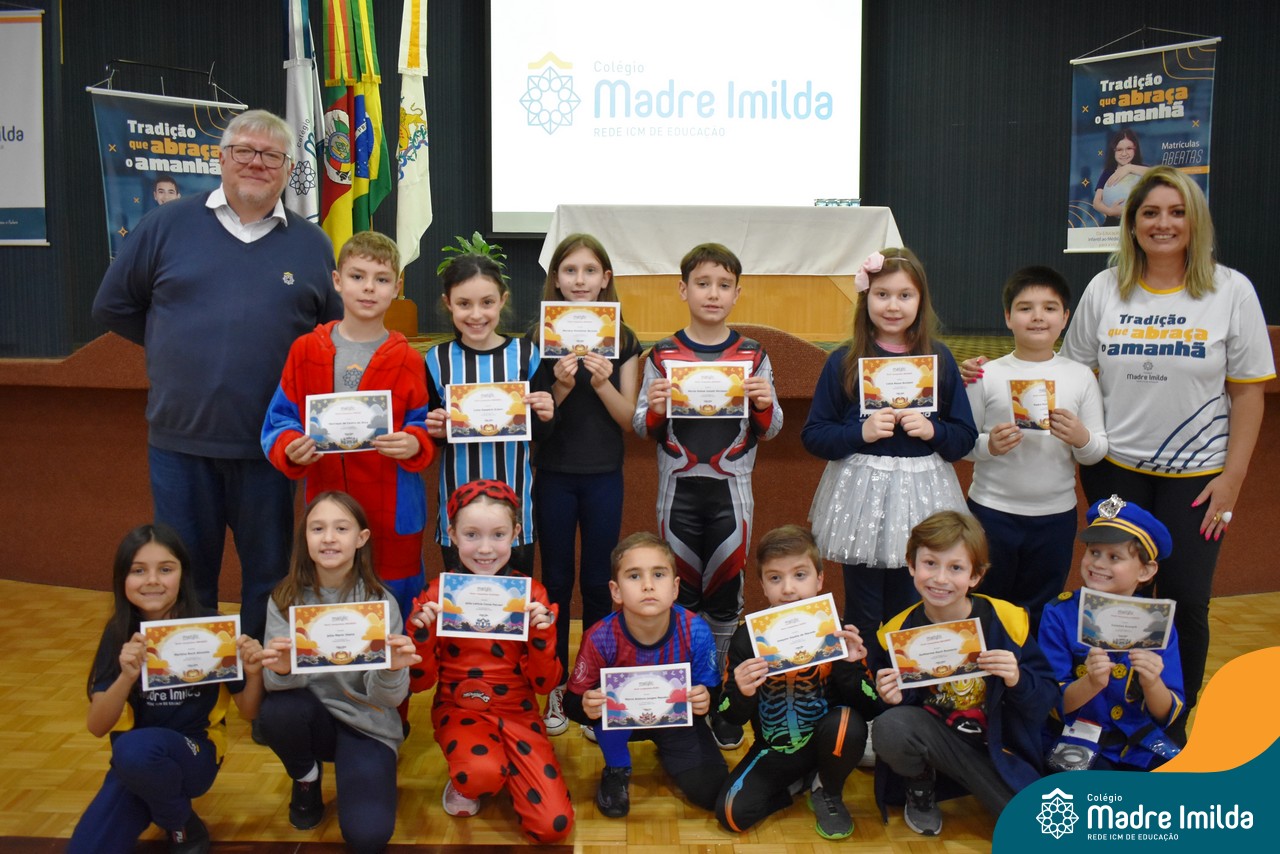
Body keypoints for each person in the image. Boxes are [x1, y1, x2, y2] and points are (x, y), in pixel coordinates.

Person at [966, 166, 1274, 739]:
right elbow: (1070, 371)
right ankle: (1101, 719)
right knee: (1110, 599)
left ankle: (1172, 727)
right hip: (1116, 471)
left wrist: (1232, 480)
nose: (1163, 223)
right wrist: (988, 379)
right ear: (1131, 224)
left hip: (1198, 477)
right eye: (1149, 213)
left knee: (1185, 601)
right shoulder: (1106, 288)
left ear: (1195, 221)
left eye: (1176, 212)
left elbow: (1248, 394)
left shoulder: (1231, 290)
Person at [93, 109, 341, 643]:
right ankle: (196, 683)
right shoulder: (165, 225)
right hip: (180, 445)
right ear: (222, 159)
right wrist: (170, 343)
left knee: (270, 579)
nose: (256, 163)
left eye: (271, 155)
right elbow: (112, 306)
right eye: (244, 151)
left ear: (288, 168)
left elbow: (331, 338)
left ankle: (258, 682)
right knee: (187, 578)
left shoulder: (312, 244)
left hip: (271, 448)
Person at [632, 242, 782, 750]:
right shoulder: (662, 354)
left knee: (724, 595)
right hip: (676, 494)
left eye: (723, 285)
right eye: (702, 284)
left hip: (731, 495)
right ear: (683, 289)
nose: (712, 294)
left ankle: (717, 697)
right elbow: (642, 426)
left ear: (737, 293)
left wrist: (762, 402)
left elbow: (773, 428)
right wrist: (655, 406)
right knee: (677, 595)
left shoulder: (754, 354)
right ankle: (680, 696)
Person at [801, 248, 977, 643]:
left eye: (905, 295)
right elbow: (814, 435)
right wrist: (859, 433)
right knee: (863, 607)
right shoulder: (844, 360)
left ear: (921, 300)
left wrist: (933, 431)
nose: (893, 306)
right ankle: (863, 675)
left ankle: (908, 675)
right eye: (882, 294)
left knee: (914, 600)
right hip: (861, 498)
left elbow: (964, 438)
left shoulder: (940, 359)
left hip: (924, 496)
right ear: (866, 299)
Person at [262, 230, 435, 625]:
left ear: (397, 287)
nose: (369, 288)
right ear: (337, 281)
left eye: (381, 279)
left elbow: (421, 423)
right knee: (330, 604)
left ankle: (396, 669)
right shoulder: (306, 350)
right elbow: (280, 418)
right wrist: (290, 445)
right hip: (328, 503)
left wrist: (414, 442)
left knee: (397, 606)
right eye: (357, 276)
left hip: (391, 507)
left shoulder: (409, 359)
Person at [68, 524, 266, 854]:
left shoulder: (212, 628)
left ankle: (178, 824)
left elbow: (249, 710)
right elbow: (97, 726)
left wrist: (254, 673)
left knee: (135, 749)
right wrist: (126, 677)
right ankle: (175, 812)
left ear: (182, 574)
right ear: (121, 579)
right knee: (86, 849)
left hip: (195, 752)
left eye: (165, 569)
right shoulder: (118, 634)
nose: (152, 580)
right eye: (138, 570)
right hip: (135, 762)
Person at [869, 511, 1058, 836]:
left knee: (1036, 828)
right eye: (930, 564)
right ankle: (920, 785)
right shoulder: (897, 633)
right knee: (891, 725)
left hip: (998, 749)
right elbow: (906, 709)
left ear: (976, 575)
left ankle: (991, 789)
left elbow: (1045, 701)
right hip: (937, 743)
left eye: (955, 568)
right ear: (911, 565)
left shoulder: (1005, 620)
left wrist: (1017, 679)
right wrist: (891, 698)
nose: (940, 579)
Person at [405, 480, 573, 843]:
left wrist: (543, 636)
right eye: (471, 535)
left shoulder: (532, 595)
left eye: (498, 535)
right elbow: (419, 683)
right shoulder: (436, 595)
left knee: (553, 826)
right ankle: (474, 773)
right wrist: (421, 634)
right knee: (479, 774)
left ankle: (505, 766)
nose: (485, 548)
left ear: (516, 533)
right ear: (452, 534)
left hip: (517, 711)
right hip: (459, 706)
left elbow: (545, 685)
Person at [259, 492, 419, 854]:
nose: (328, 538)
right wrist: (283, 671)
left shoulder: (381, 602)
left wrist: (391, 669)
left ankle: (360, 768)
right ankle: (306, 777)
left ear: (361, 538)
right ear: (305, 537)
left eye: (341, 528)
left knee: (368, 837)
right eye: (317, 529)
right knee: (277, 711)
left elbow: (389, 698)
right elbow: (273, 684)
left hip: (367, 722)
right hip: (311, 718)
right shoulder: (284, 599)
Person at [529, 233, 642, 737]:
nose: (579, 280)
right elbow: (532, 420)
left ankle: (592, 688)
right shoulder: (536, 336)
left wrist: (600, 382)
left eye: (589, 271)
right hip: (553, 476)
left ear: (605, 278)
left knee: (599, 584)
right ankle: (555, 685)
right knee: (555, 584)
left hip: (603, 477)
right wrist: (559, 385)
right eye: (570, 270)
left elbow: (630, 420)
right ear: (555, 278)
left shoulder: (625, 339)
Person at [964, 266, 1107, 631]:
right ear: (1008, 317)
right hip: (991, 512)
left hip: (1055, 517)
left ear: (1066, 318)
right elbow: (963, 443)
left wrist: (1080, 437)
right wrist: (989, 445)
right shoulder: (986, 374)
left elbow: (1096, 451)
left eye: (1050, 308)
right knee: (984, 606)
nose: (1038, 316)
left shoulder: (1080, 376)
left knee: (1041, 611)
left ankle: (1031, 669)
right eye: (1026, 308)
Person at [715, 525, 877, 840]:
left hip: (829, 739)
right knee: (731, 815)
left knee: (846, 722)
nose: (788, 589)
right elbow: (728, 715)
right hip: (774, 748)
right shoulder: (747, 638)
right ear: (762, 586)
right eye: (775, 578)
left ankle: (828, 789)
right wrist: (742, 691)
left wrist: (849, 667)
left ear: (820, 579)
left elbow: (870, 707)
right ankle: (799, 783)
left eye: (800, 575)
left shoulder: (838, 633)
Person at [564, 532, 728, 818]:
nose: (648, 585)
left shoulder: (696, 630)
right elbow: (571, 702)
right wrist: (586, 707)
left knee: (711, 792)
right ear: (616, 591)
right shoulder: (599, 637)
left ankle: (669, 750)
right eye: (634, 576)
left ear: (675, 588)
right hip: (621, 724)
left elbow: (712, 691)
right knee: (603, 703)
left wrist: (705, 700)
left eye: (659, 574)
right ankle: (617, 766)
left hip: (676, 720)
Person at [423, 253, 555, 573]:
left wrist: (547, 414)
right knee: (461, 598)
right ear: (448, 303)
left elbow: (542, 433)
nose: (476, 314)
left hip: (514, 509)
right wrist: (435, 430)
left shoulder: (527, 355)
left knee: (514, 596)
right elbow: (433, 433)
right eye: (464, 303)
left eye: (487, 302)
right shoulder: (437, 359)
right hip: (458, 507)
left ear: (502, 301)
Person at [1039, 495, 1184, 771]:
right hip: (1074, 743)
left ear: (1146, 570)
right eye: (1094, 552)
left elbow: (1167, 712)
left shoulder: (1157, 621)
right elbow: (1051, 704)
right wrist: (1091, 682)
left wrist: (1153, 682)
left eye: (1114, 557)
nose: (1098, 563)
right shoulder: (1059, 613)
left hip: (1138, 746)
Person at [1092, 128, 1148, 225]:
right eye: (1119, 150)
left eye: (1129, 148)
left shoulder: (1142, 169)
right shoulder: (1108, 172)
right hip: (1113, 225)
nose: (1124, 154)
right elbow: (1096, 202)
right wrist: (1111, 211)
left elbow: (1161, 173)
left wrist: (1129, 168)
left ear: (1135, 149)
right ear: (1113, 151)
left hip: (1138, 224)